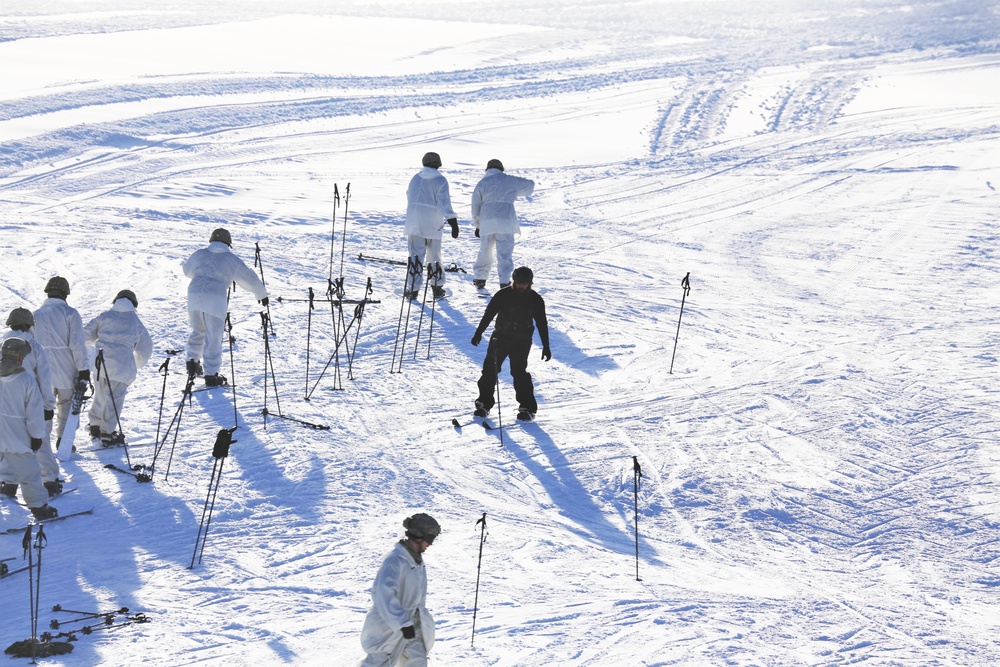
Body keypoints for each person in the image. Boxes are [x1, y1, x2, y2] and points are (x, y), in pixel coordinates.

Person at [183, 228, 268, 386]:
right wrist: (261, 295)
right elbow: (248, 277)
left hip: (195, 292)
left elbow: (187, 270)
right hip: (215, 296)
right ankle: (211, 374)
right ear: (228, 243)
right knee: (213, 335)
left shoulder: (199, 253)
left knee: (198, 329)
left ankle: (192, 362)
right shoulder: (231, 259)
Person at [359, 513, 441, 667]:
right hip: (388, 626)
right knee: (379, 662)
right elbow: (384, 594)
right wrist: (402, 623)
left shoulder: (416, 561)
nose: (430, 544)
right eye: (430, 539)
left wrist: (412, 622)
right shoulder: (395, 561)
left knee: (417, 661)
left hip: (412, 625)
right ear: (418, 536)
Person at [471, 266, 551, 422]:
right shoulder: (503, 295)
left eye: (525, 283)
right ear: (514, 281)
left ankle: (527, 408)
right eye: (519, 282)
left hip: (522, 342)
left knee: (519, 373)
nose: (521, 286)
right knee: (490, 370)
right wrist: (478, 332)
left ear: (530, 283)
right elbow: (489, 314)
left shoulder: (536, 300)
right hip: (500, 338)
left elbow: (542, 323)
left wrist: (546, 346)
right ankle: (484, 404)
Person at [2, 308, 61, 496]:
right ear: (29, 326)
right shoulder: (34, 347)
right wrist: (48, 405)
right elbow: (44, 378)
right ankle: (49, 480)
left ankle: (8, 482)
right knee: (40, 441)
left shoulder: (3, 345)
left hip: (7, 403)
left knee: (10, 443)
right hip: (32, 401)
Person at [84, 289, 153, 445]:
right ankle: (107, 433)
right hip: (122, 366)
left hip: (99, 363)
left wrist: (88, 351)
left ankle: (95, 425)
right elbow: (146, 348)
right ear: (134, 304)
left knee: (100, 395)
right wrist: (137, 362)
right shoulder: (135, 322)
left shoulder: (105, 316)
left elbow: (84, 334)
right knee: (114, 400)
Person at [0, 337, 58, 520]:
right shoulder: (25, 379)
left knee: (7, 460)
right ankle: (39, 507)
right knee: (30, 472)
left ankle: (8, 485)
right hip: (19, 435)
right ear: (20, 357)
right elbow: (33, 413)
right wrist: (37, 436)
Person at [32, 276, 90, 448]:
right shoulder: (70, 313)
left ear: (48, 292)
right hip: (67, 369)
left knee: (44, 409)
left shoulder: (36, 315)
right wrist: (83, 369)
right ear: (65, 293)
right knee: (66, 406)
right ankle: (63, 441)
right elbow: (78, 344)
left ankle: (42, 443)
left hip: (42, 372)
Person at [471, 159, 535, 289]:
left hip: (487, 221)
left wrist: (478, 225)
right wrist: (514, 190)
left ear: (487, 169)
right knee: (505, 253)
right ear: (501, 169)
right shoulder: (510, 181)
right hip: (506, 221)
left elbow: (475, 206)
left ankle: (480, 278)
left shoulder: (482, 183)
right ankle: (505, 282)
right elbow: (530, 186)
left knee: (485, 250)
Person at [404, 152, 458, 300]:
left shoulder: (415, 178)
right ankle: (437, 288)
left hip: (414, 223)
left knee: (415, 257)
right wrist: (452, 220)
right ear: (438, 164)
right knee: (434, 256)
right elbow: (443, 202)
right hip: (433, 224)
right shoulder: (440, 180)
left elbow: (409, 195)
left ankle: (413, 291)